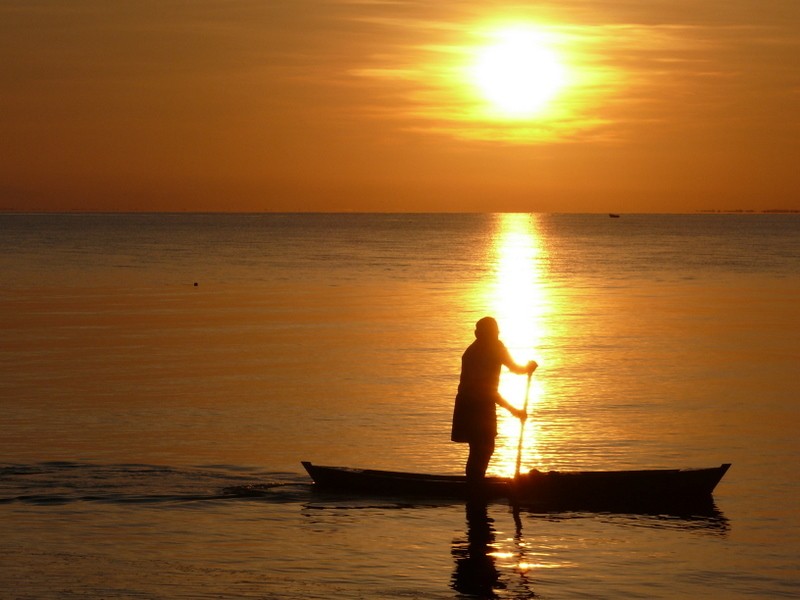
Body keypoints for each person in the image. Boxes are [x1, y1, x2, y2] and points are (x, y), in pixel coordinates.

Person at [451, 316, 538, 484]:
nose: (496, 336)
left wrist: (527, 368)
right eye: (493, 333)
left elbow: (514, 368)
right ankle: (474, 486)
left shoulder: (496, 347)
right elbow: (487, 392)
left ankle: (475, 484)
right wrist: (514, 411)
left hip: (482, 404)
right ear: (480, 335)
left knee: (483, 448)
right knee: (481, 448)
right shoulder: (473, 354)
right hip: (472, 405)